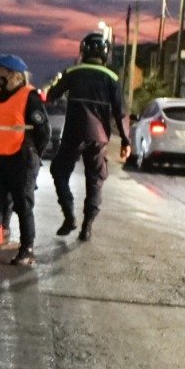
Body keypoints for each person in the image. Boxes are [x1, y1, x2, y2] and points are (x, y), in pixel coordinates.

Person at [47, 32, 131, 242]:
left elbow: (51, 95)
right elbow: (121, 113)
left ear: (82, 52)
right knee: (95, 180)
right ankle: (87, 227)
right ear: (106, 55)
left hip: (73, 134)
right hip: (99, 138)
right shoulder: (112, 78)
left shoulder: (73, 72)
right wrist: (125, 140)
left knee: (59, 171)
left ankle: (69, 215)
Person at [0, 55, 50, 266]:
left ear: (16, 76)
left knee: (23, 206)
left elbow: (44, 131)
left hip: (21, 159)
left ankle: (27, 250)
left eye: (1, 72)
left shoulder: (29, 97)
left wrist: (33, 154)